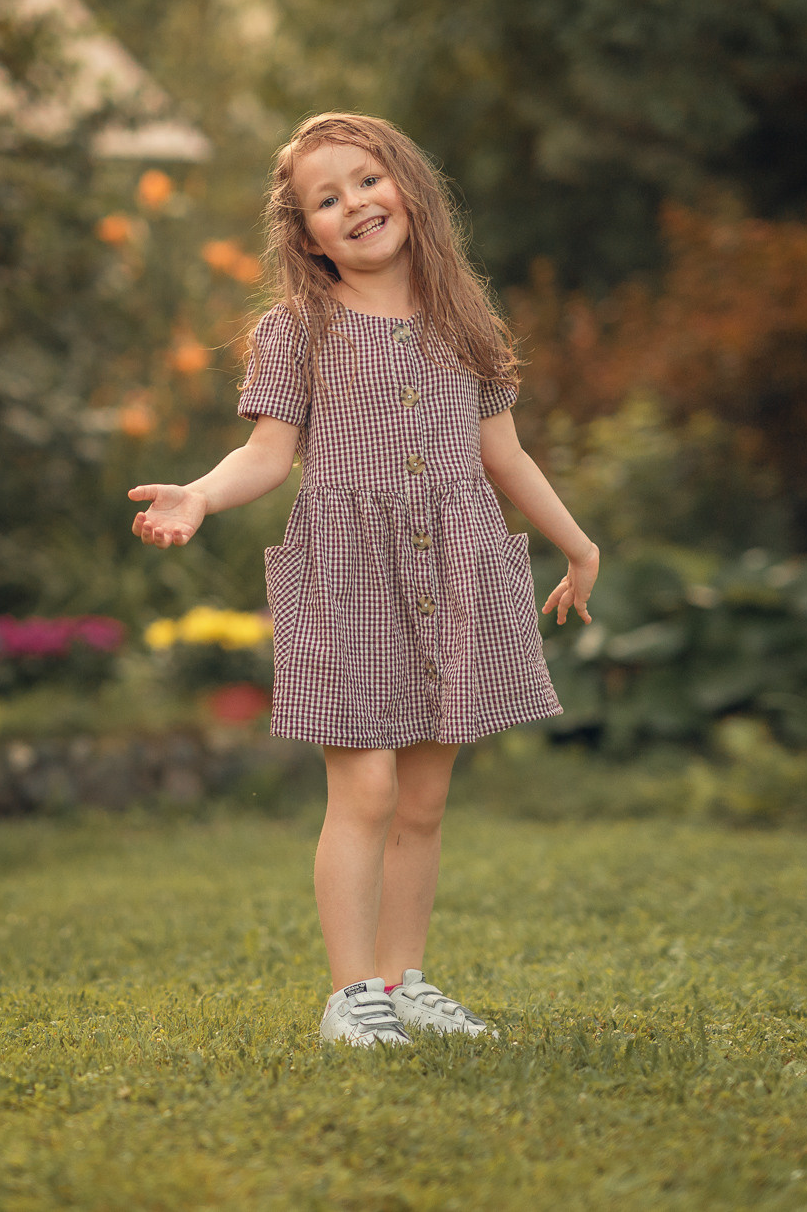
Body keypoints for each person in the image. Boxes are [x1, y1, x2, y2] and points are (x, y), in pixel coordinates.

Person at [127, 112, 600, 1048]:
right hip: (348, 577)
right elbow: (267, 455)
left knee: (422, 800)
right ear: (307, 235)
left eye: (368, 181)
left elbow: (503, 455)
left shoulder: (466, 323)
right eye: (326, 199)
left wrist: (578, 546)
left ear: (409, 189)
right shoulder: (298, 330)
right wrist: (200, 494)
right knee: (368, 791)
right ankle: (351, 996)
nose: (354, 205)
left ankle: (403, 981)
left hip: (453, 570)